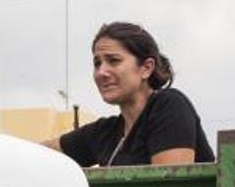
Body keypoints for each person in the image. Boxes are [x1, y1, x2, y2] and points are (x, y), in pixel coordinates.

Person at [44, 21, 214, 167]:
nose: (101, 72)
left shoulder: (169, 106)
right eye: (97, 63)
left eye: (114, 60)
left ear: (146, 68)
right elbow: (37, 154)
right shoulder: (104, 133)